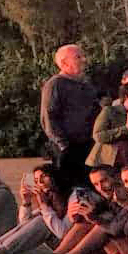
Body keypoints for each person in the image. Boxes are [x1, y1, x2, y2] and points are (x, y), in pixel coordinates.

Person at [40, 44, 100, 191]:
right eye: (78, 57)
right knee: (69, 190)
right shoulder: (55, 85)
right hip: (68, 149)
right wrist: (64, 146)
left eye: (83, 56)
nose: (84, 60)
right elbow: (49, 117)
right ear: (64, 63)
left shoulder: (86, 85)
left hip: (89, 146)